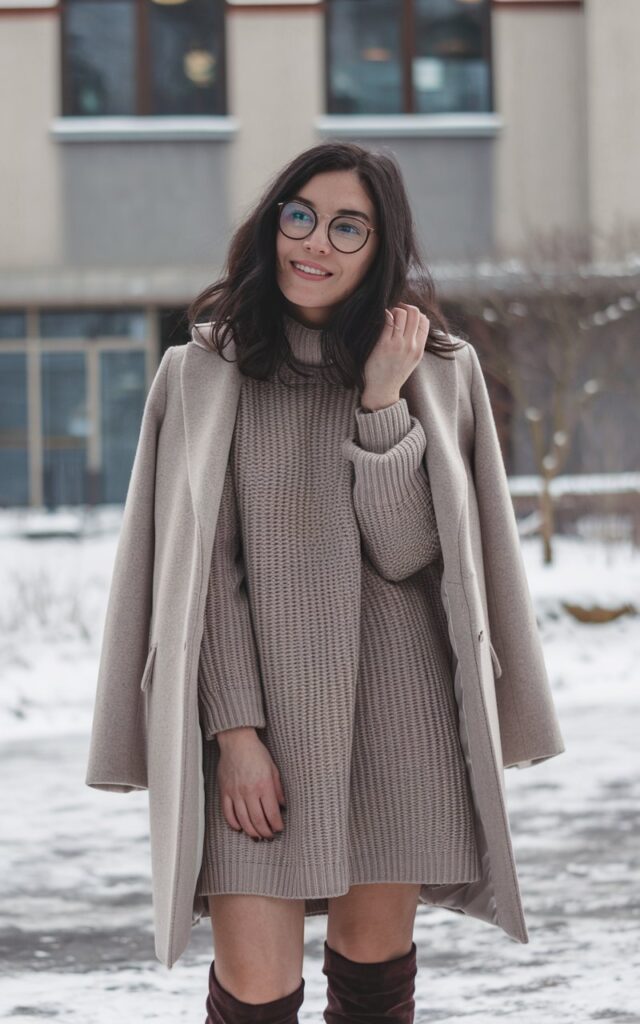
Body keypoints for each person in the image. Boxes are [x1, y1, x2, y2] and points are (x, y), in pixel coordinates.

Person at [186, 140, 475, 1024]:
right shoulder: (209, 371)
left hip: (396, 718)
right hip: (261, 722)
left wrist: (382, 403)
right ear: (273, 223)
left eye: (348, 227)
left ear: (380, 249)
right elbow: (203, 577)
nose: (315, 241)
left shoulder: (430, 370)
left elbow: (408, 555)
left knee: (373, 985)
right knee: (256, 992)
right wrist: (236, 735)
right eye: (301, 215)